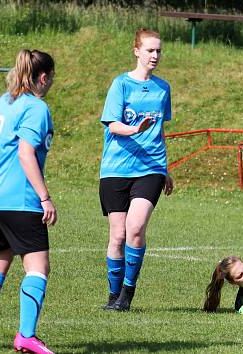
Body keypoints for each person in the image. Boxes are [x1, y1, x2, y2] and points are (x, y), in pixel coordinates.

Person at [0, 49, 56, 353]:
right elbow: (25, 153)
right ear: (44, 77)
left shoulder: (2, 103)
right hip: (19, 199)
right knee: (38, 268)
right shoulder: (36, 108)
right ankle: (25, 336)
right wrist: (44, 197)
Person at [99, 28, 173, 311]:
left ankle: (127, 297)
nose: (155, 55)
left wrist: (165, 168)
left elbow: (160, 130)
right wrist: (135, 129)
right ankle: (113, 295)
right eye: (150, 50)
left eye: (158, 51)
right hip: (116, 168)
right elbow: (112, 125)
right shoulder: (120, 85)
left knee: (136, 227)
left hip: (150, 167)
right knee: (117, 235)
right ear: (137, 51)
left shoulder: (162, 88)